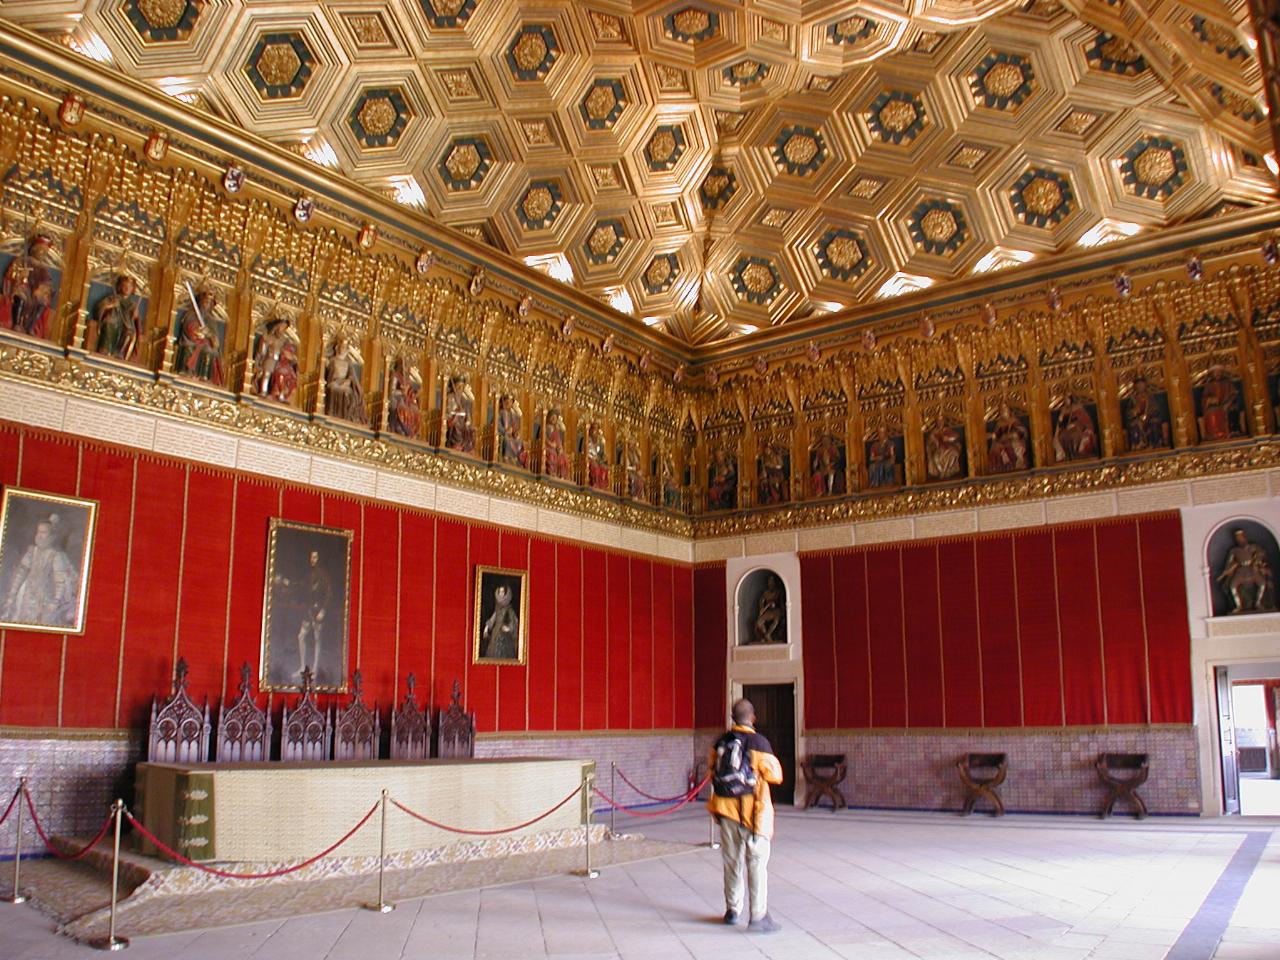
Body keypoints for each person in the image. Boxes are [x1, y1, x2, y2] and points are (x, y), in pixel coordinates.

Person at [707, 698, 783, 933]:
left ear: (732, 718)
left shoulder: (721, 741)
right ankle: (758, 915)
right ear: (752, 718)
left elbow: (712, 769)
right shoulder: (759, 742)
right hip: (754, 815)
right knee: (757, 863)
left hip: (726, 811)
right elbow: (775, 776)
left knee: (732, 863)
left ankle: (732, 910)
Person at [0, 513, 78, 628]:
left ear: (51, 535)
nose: (40, 535)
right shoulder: (32, 552)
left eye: (43, 532)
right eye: (38, 532)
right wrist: (12, 595)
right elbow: (21, 573)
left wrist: (56, 601)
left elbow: (59, 580)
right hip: (27, 597)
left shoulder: (55, 555)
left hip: (46, 598)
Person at [275, 549, 333, 684]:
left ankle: (315, 669)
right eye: (311, 557)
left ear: (319, 558)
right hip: (308, 611)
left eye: (315, 557)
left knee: (317, 639)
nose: (312, 559)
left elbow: (329, 594)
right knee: (301, 636)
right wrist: (284, 581)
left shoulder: (323, 575)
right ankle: (302, 667)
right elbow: (299, 586)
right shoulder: (309, 575)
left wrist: (323, 610)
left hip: (318, 610)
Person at [0, 234, 59, 340]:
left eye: (44, 252)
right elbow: (12, 273)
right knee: (21, 296)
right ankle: (17, 323)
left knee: (43, 302)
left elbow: (48, 282)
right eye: (40, 250)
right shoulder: (22, 260)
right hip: (22, 287)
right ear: (34, 249)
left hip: (36, 293)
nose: (42, 253)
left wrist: (45, 288)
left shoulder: (43, 268)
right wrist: (21, 274)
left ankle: (30, 326)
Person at [173, 284, 224, 385]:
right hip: (191, 340)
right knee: (189, 345)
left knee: (209, 350)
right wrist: (198, 332)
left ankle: (204, 376)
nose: (206, 305)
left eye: (209, 303)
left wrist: (209, 334)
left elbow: (215, 341)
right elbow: (188, 327)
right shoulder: (192, 313)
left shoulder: (211, 320)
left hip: (205, 343)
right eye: (205, 302)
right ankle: (186, 371)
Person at [1217, 529, 1275, 613]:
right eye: (1237, 538)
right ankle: (1238, 605)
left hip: (1252, 569)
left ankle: (1258, 603)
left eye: (1241, 537)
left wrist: (1257, 562)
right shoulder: (1234, 550)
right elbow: (1229, 563)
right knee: (1232, 586)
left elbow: (1261, 553)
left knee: (1262, 583)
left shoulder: (1253, 546)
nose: (1239, 539)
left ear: (1244, 537)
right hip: (1240, 569)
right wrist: (1227, 570)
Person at [94, 273, 142, 361]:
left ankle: (120, 353)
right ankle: (105, 350)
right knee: (109, 323)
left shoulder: (132, 305)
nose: (127, 289)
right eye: (125, 286)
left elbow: (136, 321)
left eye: (129, 287)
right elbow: (101, 306)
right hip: (114, 319)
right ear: (120, 286)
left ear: (132, 289)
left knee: (130, 332)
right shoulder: (113, 298)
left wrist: (135, 316)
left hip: (126, 324)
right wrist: (111, 305)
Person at [324, 335, 366, 424]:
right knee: (333, 388)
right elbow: (330, 374)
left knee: (349, 393)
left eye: (344, 348)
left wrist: (348, 381)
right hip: (334, 382)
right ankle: (332, 412)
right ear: (337, 348)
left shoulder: (348, 363)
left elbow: (351, 376)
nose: (342, 349)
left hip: (344, 383)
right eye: (341, 347)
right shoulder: (333, 360)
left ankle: (345, 415)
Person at [1125, 376, 1169, 450]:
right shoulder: (1133, 399)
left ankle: (1154, 444)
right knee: (1135, 425)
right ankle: (1139, 444)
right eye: (1138, 385)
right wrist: (1135, 411)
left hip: (1150, 418)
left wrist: (1148, 414)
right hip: (1138, 419)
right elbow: (1128, 413)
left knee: (1154, 423)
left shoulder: (1150, 397)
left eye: (1142, 385)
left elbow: (1156, 408)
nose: (1140, 387)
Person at [987, 402, 1029, 473]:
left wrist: (1012, 435)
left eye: (1004, 409)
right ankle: (998, 469)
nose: (1003, 412)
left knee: (1011, 447)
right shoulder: (1000, 423)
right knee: (995, 448)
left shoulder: (1014, 421)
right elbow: (997, 435)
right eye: (1001, 410)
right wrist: (993, 436)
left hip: (1014, 441)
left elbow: (1022, 432)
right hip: (1003, 443)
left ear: (1008, 410)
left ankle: (1015, 465)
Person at [1053, 396, 1098, 461]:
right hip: (1067, 430)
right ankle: (1069, 457)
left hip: (1080, 429)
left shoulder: (1078, 408)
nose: (1066, 401)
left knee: (1077, 436)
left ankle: (1078, 455)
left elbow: (1085, 422)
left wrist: (1075, 425)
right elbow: (1060, 423)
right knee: (1062, 437)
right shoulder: (1064, 410)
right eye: (1065, 400)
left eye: (1067, 399)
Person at [480, 583, 519, 658]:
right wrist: (486, 628)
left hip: (505, 637)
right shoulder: (497, 608)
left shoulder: (509, 609)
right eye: (500, 592)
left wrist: (509, 628)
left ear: (506, 594)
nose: (501, 594)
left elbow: (514, 622)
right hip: (496, 634)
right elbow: (493, 619)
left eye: (503, 592)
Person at [386, 356, 421, 438]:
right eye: (404, 366)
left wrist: (413, 395)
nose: (406, 368)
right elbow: (392, 391)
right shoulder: (395, 376)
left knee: (415, 410)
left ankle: (411, 432)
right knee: (402, 408)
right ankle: (400, 429)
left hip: (406, 400)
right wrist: (402, 392)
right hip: (397, 398)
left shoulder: (407, 379)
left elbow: (411, 392)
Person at [445, 374, 476, 452]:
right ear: (454, 387)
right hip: (453, 419)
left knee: (470, 429)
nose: (459, 389)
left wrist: (468, 419)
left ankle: (466, 448)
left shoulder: (463, 399)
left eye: (461, 387)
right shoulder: (450, 397)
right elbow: (449, 411)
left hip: (462, 420)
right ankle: (456, 444)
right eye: (458, 386)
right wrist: (456, 412)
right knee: (457, 425)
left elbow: (467, 412)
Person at [542, 409, 570, 479]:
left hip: (555, 449)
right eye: (552, 417)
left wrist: (560, 448)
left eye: (555, 418)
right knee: (552, 454)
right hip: (547, 447)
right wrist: (550, 444)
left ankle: (561, 475)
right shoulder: (545, 427)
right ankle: (551, 472)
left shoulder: (556, 430)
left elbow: (558, 441)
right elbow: (543, 438)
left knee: (564, 458)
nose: (553, 419)